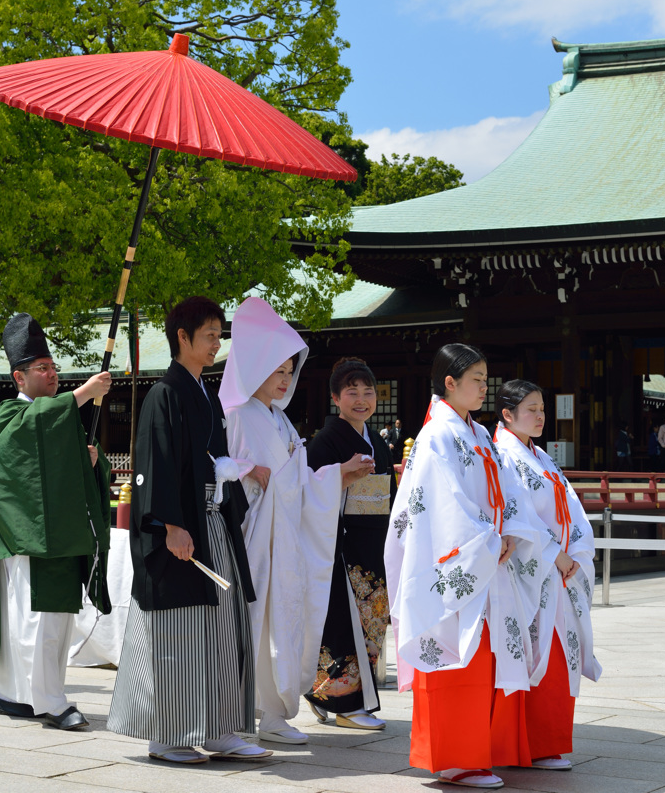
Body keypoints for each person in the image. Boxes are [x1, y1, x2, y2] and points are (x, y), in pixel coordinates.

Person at [107, 296, 271, 765]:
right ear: (182, 338)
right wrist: (170, 525)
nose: (217, 343)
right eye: (209, 335)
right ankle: (168, 734)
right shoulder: (166, 394)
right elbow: (155, 463)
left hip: (212, 520)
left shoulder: (204, 393)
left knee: (222, 624)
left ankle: (220, 729)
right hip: (183, 527)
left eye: (220, 335)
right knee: (181, 631)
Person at [385, 344, 551, 790]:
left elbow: (508, 490)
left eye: (485, 377)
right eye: (475, 379)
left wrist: (512, 531)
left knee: (481, 661)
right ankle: (455, 759)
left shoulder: (477, 434)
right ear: (449, 383)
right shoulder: (437, 435)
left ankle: (473, 755)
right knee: (457, 658)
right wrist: (488, 541)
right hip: (458, 559)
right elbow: (443, 505)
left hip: (488, 557)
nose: (484, 386)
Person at [220, 298, 374, 745]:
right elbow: (227, 468)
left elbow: (298, 478)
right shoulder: (238, 414)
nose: (285, 379)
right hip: (255, 539)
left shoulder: (280, 420)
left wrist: (334, 475)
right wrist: (247, 471)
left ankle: (272, 711)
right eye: (277, 370)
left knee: (281, 623)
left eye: (290, 371)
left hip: (284, 536)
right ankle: (239, 713)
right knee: (253, 622)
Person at [0, 313, 112, 730]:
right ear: (19, 378)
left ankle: (16, 696)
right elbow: (20, 447)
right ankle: (51, 703)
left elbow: (73, 467)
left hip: (62, 533)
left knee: (52, 622)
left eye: (54, 368)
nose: (52, 374)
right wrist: (82, 394)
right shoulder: (9, 415)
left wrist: (91, 463)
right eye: (42, 369)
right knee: (33, 622)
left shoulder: (59, 417)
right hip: (30, 536)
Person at [494, 380, 601, 774]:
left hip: (558, 570)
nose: (539, 416)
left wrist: (575, 551)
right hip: (528, 572)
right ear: (507, 414)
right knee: (533, 654)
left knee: (559, 656)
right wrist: (555, 554)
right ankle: (528, 744)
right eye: (531, 408)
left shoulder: (539, 455)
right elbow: (514, 516)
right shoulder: (503, 454)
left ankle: (548, 742)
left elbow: (568, 505)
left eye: (542, 408)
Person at [305, 357, 396, 731]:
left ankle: (326, 694)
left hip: (374, 543)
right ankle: (345, 704)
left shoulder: (378, 441)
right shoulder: (326, 441)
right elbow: (309, 491)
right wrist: (340, 478)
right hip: (340, 545)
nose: (361, 399)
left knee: (371, 621)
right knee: (344, 621)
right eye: (352, 392)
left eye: (368, 392)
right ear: (335, 398)